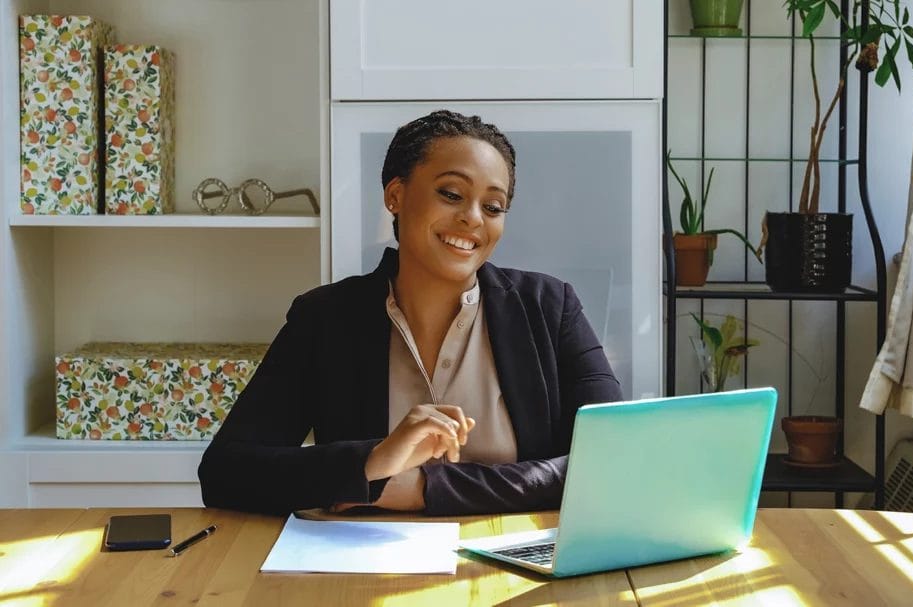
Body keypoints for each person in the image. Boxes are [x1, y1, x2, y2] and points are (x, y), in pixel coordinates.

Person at [198, 110, 622, 516]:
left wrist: (424, 488)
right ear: (396, 195)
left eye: (493, 207)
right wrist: (372, 462)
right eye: (451, 194)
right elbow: (226, 473)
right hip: (362, 570)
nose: (472, 218)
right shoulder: (324, 318)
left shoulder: (550, 307)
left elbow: (610, 463)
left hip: (517, 568)